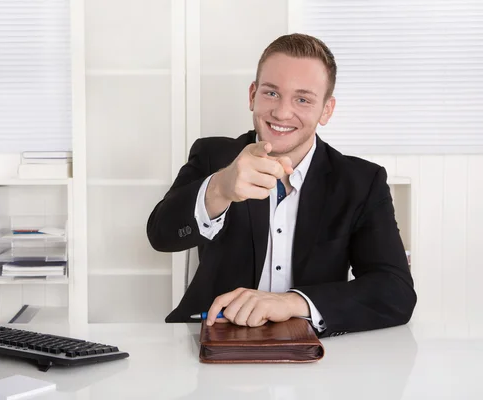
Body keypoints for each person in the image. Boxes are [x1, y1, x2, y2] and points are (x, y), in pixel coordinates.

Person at [146, 33, 416, 337]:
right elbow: (161, 235)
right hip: (210, 337)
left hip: (315, 352)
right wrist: (220, 188)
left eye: (302, 99)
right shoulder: (214, 157)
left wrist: (291, 303)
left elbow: (395, 292)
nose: (282, 113)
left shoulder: (361, 182)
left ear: (326, 110)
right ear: (252, 95)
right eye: (271, 93)